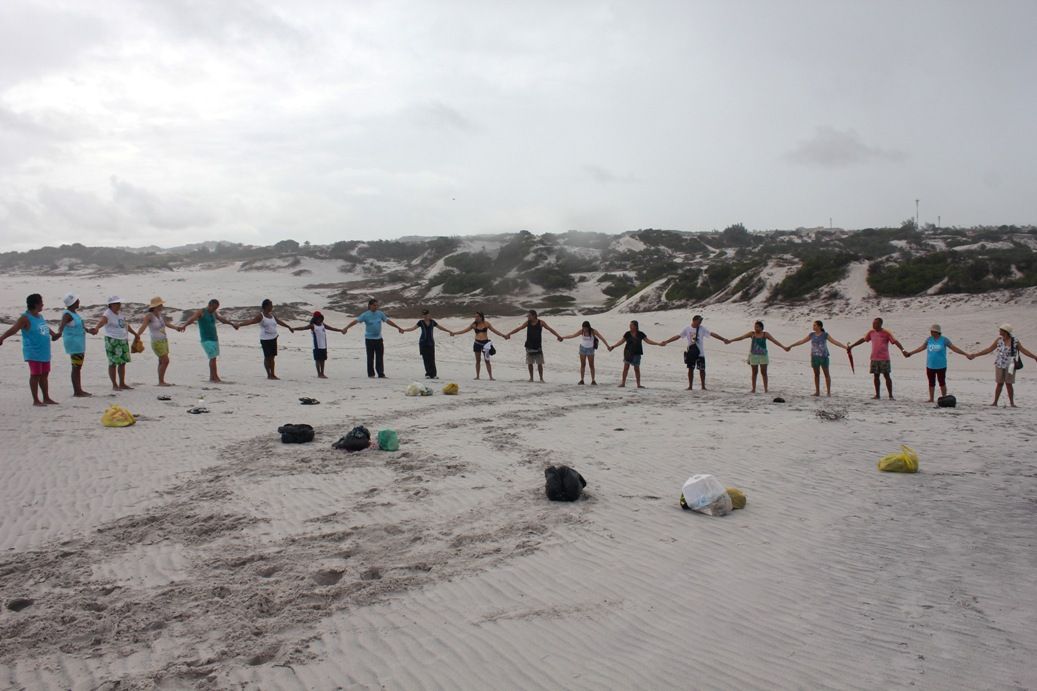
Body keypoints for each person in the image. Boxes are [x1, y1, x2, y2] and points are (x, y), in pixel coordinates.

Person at [0, 293, 60, 406]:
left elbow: (45, 327)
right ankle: (36, 400)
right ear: (36, 304)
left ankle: (46, 398)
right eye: (41, 302)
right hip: (33, 351)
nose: (43, 304)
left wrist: (54, 335)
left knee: (45, 374)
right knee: (35, 375)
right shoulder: (25, 318)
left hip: (44, 351)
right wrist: (2, 338)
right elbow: (14, 329)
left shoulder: (40, 316)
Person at [969, 324, 1037, 407]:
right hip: (999, 364)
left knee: (1009, 384)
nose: (999, 331)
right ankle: (995, 402)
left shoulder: (1015, 341)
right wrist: (976, 355)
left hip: (1011, 365)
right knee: (999, 383)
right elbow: (989, 349)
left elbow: (1024, 350)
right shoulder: (999, 340)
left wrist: (1034, 357)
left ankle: (1012, 403)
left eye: (1001, 330)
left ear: (1006, 331)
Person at [902, 324, 971, 402]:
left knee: (942, 382)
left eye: (933, 331)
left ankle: (944, 398)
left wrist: (965, 354)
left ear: (937, 332)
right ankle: (931, 399)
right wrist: (911, 353)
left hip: (941, 365)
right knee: (931, 383)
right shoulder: (929, 339)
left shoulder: (944, 340)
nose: (931, 332)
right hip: (930, 365)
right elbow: (921, 348)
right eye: (931, 331)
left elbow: (954, 348)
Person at [661, 314, 729, 390]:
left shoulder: (702, 328)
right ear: (694, 320)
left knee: (702, 369)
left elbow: (712, 334)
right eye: (699, 321)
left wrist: (723, 339)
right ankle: (690, 386)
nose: (700, 323)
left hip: (700, 353)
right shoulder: (687, 328)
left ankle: (703, 386)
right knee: (690, 369)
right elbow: (678, 336)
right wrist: (667, 341)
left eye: (701, 321)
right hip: (691, 352)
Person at [342, 299, 403, 378]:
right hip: (369, 339)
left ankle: (381, 374)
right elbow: (356, 321)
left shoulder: (380, 314)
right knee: (370, 357)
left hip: (379, 339)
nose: (376, 307)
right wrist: (346, 328)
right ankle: (371, 374)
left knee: (379, 357)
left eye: (377, 305)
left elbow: (388, 321)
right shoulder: (365, 315)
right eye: (374, 305)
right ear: (370, 305)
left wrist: (398, 327)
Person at [180, 299, 238, 383]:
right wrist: (184, 325)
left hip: (214, 338)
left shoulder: (214, 313)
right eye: (213, 308)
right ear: (209, 305)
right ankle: (215, 377)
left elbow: (222, 319)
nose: (214, 309)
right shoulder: (201, 312)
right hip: (206, 339)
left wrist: (232, 324)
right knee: (212, 358)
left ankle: (212, 377)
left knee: (214, 358)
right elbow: (192, 319)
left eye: (216, 308)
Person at [786, 320, 848, 397]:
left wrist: (845, 347)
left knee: (826, 374)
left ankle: (828, 392)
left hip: (823, 357)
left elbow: (834, 342)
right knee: (816, 374)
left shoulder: (825, 335)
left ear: (820, 326)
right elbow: (802, 341)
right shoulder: (811, 334)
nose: (813, 326)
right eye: (813, 325)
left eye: (815, 325)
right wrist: (791, 345)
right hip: (814, 357)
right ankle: (817, 392)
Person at [236, 299, 295, 380]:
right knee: (267, 357)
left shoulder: (272, 316)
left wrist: (288, 327)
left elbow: (279, 322)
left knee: (272, 357)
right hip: (265, 339)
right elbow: (251, 321)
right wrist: (239, 325)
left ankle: (273, 374)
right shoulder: (261, 316)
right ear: (266, 306)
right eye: (271, 305)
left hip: (274, 338)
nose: (272, 307)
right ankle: (269, 374)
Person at [848, 317, 904, 400]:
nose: (874, 325)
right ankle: (877, 395)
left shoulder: (886, 332)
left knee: (887, 376)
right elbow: (863, 339)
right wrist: (852, 346)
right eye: (873, 323)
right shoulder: (871, 332)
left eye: (876, 323)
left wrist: (903, 350)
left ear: (880, 324)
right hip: (874, 358)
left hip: (884, 358)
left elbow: (895, 342)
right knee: (876, 376)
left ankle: (890, 395)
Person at [724, 320, 787, 393]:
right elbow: (741, 337)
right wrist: (731, 340)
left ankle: (766, 389)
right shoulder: (752, 334)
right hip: (753, 355)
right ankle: (753, 389)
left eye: (757, 327)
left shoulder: (765, 334)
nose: (755, 328)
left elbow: (774, 341)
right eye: (755, 327)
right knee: (754, 372)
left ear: (761, 327)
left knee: (764, 372)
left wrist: (783, 347)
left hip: (763, 356)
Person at [53, 292, 96, 397]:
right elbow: (62, 325)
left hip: (79, 342)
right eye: (77, 300)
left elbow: (81, 326)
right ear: (73, 303)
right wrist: (59, 333)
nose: (79, 301)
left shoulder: (74, 313)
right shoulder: (67, 314)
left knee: (77, 367)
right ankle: (77, 391)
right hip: (74, 343)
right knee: (76, 367)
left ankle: (79, 390)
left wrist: (89, 331)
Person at [137, 296, 185, 386]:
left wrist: (177, 328)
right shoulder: (149, 316)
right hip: (156, 342)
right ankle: (161, 381)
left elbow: (166, 324)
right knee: (166, 361)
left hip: (164, 340)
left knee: (161, 361)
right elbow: (143, 326)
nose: (162, 306)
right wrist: (137, 335)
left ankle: (161, 381)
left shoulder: (159, 315)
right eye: (160, 305)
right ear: (155, 306)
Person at [93, 296, 138, 391]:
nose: (119, 305)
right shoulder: (107, 314)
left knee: (123, 362)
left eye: (119, 303)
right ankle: (114, 385)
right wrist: (96, 328)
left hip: (123, 339)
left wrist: (135, 334)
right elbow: (102, 322)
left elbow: (126, 325)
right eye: (116, 303)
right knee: (113, 363)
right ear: (111, 305)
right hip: (112, 340)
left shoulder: (120, 314)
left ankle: (122, 383)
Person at [505, 310, 564, 383]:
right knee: (530, 363)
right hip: (529, 345)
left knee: (540, 363)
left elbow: (550, 329)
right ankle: (531, 378)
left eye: (529, 315)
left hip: (538, 346)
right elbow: (519, 328)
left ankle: (541, 379)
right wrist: (509, 334)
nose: (528, 317)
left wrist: (558, 336)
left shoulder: (541, 322)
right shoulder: (528, 323)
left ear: (534, 316)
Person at [450, 311, 510, 380]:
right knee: (478, 361)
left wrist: (503, 335)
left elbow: (495, 331)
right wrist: (454, 333)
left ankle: (491, 377)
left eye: (478, 316)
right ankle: (477, 376)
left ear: (481, 317)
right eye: (475, 316)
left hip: (486, 344)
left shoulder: (486, 324)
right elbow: (464, 331)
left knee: (487, 361)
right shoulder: (473, 325)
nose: (476, 318)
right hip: (477, 343)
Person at [609, 319, 665, 388]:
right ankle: (623, 383)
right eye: (630, 325)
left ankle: (638, 384)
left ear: (635, 326)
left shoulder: (640, 334)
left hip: (637, 353)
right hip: (628, 352)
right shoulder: (627, 334)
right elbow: (621, 341)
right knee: (626, 368)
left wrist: (658, 343)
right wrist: (613, 346)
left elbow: (648, 341)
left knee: (637, 369)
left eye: (631, 325)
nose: (630, 326)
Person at [400, 309, 451, 379]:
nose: (426, 316)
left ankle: (434, 374)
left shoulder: (433, 322)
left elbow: (440, 328)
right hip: (423, 343)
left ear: (429, 315)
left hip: (431, 343)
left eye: (427, 315)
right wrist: (404, 330)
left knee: (432, 359)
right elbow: (412, 328)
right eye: (424, 315)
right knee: (426, 359)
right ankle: (428, 374)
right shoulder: (420, 322)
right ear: (423, 315)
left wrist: (449, 331)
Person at [295, 311, 345, 378]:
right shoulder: (312, 326)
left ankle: (322, 373)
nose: (319, 319)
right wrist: (293, 329)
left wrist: (340, 330)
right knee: (317, 360)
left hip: (324, 346)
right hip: (317, 346)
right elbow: (303, 328)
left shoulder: (323, 324)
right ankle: (319, 374)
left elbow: (332, 328)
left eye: (320, 318)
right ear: (315, 319)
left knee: (323, 360)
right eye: (318, 318)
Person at [561, 320, 609, 385]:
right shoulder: (582, 331)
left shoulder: (593, 331)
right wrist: (563, 337)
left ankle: (593, 380)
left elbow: (602, 338)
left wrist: (607, 346)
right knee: (583, 364)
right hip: (582, 349)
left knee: (591, 365)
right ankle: (582, 380)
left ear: (588, 327)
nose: (584, 329)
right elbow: (573, 335)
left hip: (590, 349)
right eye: (583, 328)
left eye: (585, 328)